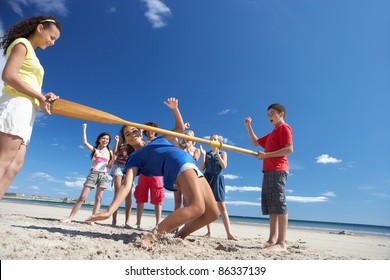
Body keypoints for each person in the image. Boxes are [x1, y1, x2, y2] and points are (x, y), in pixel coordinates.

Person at [86, 97, 219, 249]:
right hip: (178, 165)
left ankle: (180, 236)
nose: (132, 134)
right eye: (128, 134)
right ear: (126, 141)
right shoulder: (134, 158)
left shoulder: (159, 138)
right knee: (197, 207)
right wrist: (110, 211)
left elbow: (179, 128)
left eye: (134, 130)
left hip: (192, 164)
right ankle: (153, 235)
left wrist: (174, 109)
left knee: (212, 214)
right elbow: (126, 185)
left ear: (140, 132)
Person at [0, 16, 61, 199]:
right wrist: (40, 96)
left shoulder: (33, 55)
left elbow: (29, 83)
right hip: (16, 104)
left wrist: (44, 95)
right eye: (51, 37)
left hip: (28, 111)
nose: (52, 43)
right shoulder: (22, 44)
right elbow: (8, 75)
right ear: (40, 28)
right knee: (4, 160)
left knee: (14, 166)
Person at [244, 103, 293, 252]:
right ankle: (272, 240)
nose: (269, 117)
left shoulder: (284, 128)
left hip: (278, 170)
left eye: (272, 113)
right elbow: (255, 142)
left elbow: (289, 149)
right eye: (268, 115)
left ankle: (281, 243)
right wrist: (248, 126)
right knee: (272, 208)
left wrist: (266, 155)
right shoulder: (273, 132)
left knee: (279, 204)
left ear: (281, 114)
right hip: (268, 171)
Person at [61, 124, 113, 224]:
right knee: (83, 197)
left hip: (104, 176)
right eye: (103, 138)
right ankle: (70, 218)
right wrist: (84, 128)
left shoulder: (110, 152)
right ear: (99, 140)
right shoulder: (95, 150)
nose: (105, 140)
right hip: (93, 174)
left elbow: (109, 166)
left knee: (98, 198)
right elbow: (85, 143)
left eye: (107, 139)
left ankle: (92, 220)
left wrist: (113, 159)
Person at [200, 134, 237, 240]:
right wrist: (203, 156)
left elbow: (224, 166)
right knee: (208, 207)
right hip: (207, 179)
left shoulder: (223, 152)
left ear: (219, 141)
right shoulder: (206, 154)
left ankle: (229, 233)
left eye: (215, 139)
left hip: (218, 180)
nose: (213, 140)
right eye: (211, 139)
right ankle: (209, 232)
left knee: (222, 207)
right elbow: (202, 168)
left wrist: (218, 155)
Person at [134, 122, 165, 229]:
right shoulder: (143, 142)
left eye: (152, 129)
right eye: (148, 129)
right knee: (140, 197)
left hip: (156, 173)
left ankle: (157, 224)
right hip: (143, 172)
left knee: (158, 197)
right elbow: (137, 150)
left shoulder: (160, 141)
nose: (150, 131)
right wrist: (141, 131)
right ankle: (138, 223)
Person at [110, 129, 134, 228]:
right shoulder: (120, 142)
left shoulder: (134, 143)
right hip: (118, 166)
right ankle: (114, 221)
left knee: (128, 196)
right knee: (117, 193)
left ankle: (127, 222)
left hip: (129, 167)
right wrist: (116, 142)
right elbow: (114, 153)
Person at [173, 123, 200, 210]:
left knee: (186, 203)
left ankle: (186, 224)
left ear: (193, 138)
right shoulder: (180, 147)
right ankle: (175, 223)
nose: (187, 138)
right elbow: (174, 136)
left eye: (189, 136)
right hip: (177, 174)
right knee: (177, 203)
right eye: (185, 136)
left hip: (188, 176)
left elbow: (194, 160)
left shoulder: (197, 150)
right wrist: (183, 127)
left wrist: (188, 148)